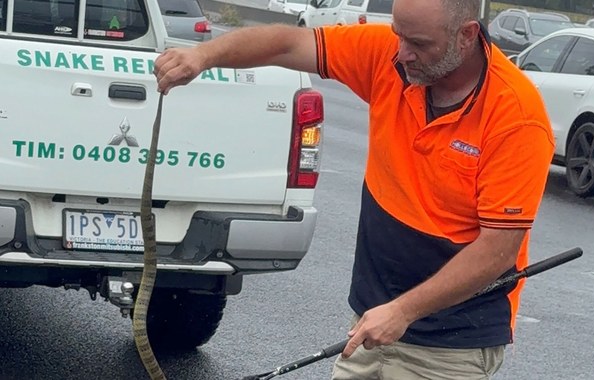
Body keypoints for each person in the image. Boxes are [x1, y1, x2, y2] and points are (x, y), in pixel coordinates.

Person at [154, 0, 555, 378]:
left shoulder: (515, 117)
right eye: (399, 34)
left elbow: (497, 249)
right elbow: (288, 43)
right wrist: (203, 57)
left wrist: (403, 311)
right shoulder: (389, 56)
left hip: (450, 351)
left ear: (467, 35)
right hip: (371, 325)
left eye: (418, 43)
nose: (403, 53)